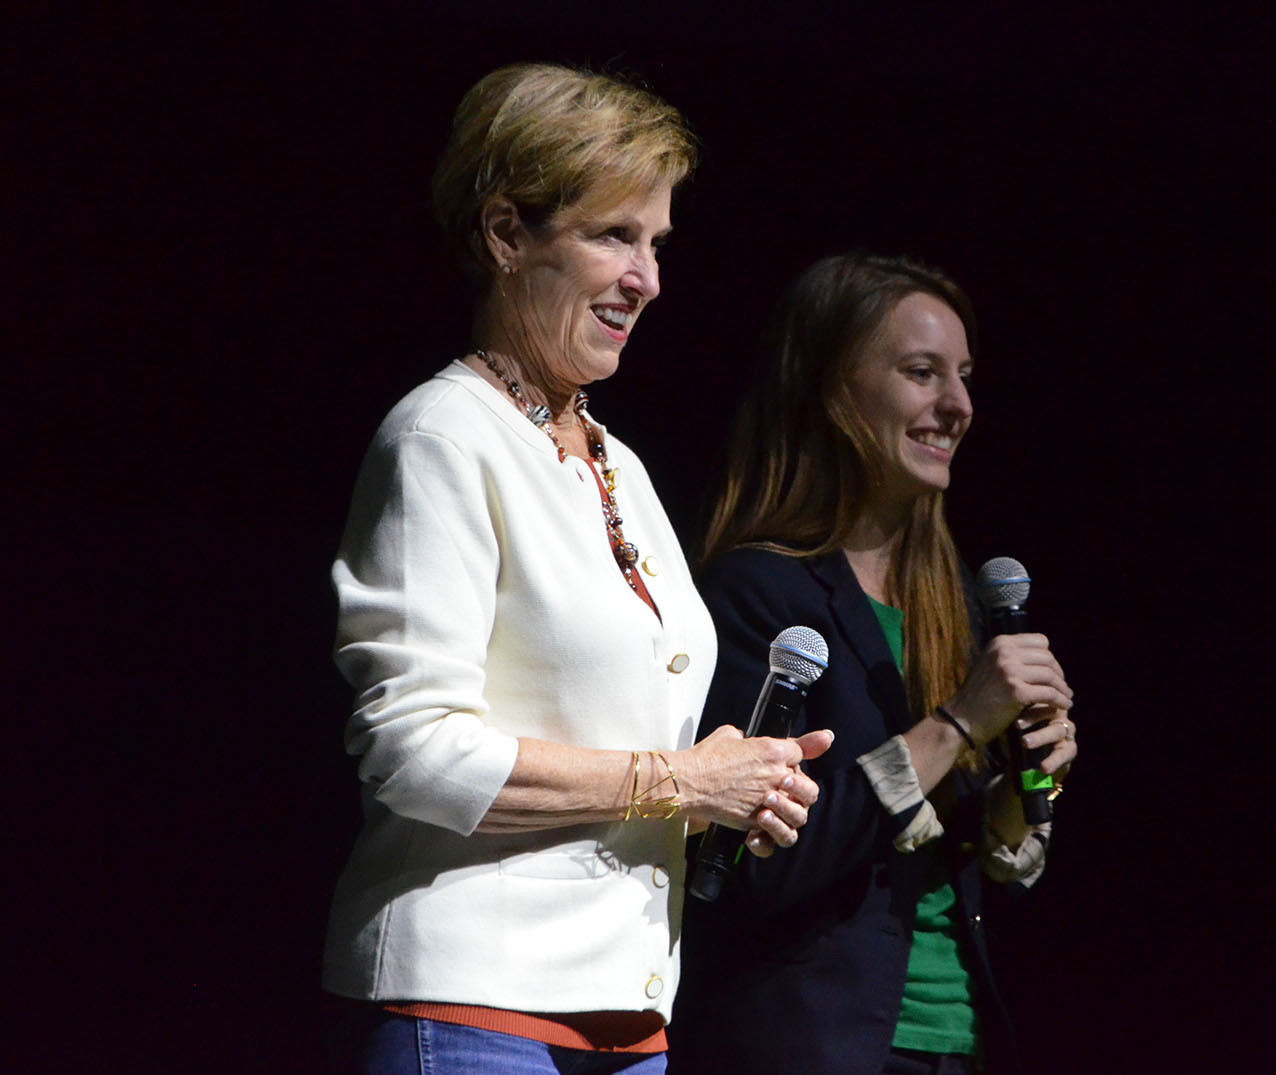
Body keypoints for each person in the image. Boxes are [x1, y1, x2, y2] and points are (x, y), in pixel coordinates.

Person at [320, 63, 831, 1074]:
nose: (648, 278)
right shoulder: (441, 437)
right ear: (506, 234)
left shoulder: (618, 463)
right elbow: (412, 748)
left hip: (627, 1019)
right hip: (474, 1012)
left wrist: (734, 788)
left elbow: (625, 736)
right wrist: (678, 780)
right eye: (613, 235)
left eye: (656, 243)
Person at [668, 253, 1078, 1075]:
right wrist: (958, 720)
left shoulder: (954, 606)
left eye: (963, 376)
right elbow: (764, 868)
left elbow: (977, 862)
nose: (957, 404)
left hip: (955, 1042)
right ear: (833, 389)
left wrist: (1021, 786)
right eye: (922, 373)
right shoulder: (759, 593)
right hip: (813, 1046)